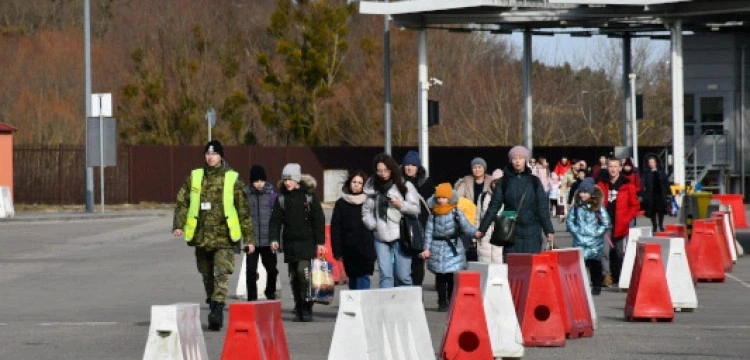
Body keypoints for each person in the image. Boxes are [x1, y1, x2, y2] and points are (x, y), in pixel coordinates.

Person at [172, 140, 253, 331]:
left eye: (214, 154)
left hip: (225, 237)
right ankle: (212, 302)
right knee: (206, 275)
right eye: (208, 154)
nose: (210, 157)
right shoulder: (195, 176)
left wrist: (249, 238)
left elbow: (244, 210)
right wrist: (178, 225)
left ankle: (217, 309)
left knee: (221, 274)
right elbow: (182, 201)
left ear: (221, 156)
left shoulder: (232, 178)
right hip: (201, 236)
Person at [269, 163, 326, 322]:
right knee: (294, 277)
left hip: (307, 244)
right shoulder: (281, 198)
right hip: (289, 245)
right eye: (285, 179)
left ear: (297, 179)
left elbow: (319, 220)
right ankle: (298, 306)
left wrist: (320, 242)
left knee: (304, 274)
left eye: (290, 179)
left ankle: (307, 307)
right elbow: (275, 221)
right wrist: (274, 239)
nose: (287, 182)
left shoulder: (309, 196)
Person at [476, 146, 555, 256]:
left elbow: (542, 207)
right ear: (510, 160)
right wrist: (482, 229)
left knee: (531, 267)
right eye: (514, 158)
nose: (518, 161)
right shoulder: (504, 182)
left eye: (521, 158)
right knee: (513, 267)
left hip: (532, 229)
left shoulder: (534, 181)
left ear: (525, 160)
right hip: (510, 229)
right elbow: (494, 206)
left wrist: (548, 229)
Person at [363, 153, 421, 288]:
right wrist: (374, 225)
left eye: (386, 170)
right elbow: (366, 212)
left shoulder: (404, 185)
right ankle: (386, 307)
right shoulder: (373, 188)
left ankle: (408, 305)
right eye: (379, 170)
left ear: (392, 169)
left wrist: (401, 205)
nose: (383, 173)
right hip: (380, 235)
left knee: (403, 275)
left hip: (401, 235)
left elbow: (416, 209)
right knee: (385, 275)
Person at [421, 183, 477, 311]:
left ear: (450, 198)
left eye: (444, 197)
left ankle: (452, 301)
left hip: (453, 248)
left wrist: (476, 233)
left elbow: (466, 226)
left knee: (452, 277)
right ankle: (442, 302)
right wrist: (427, 248)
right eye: (439, 197)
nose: (441, 200)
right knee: (440, 277)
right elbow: (429, 232)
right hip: (437, 248)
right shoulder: (433, 215)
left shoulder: (456, 212)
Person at [597, 158, 641, 286]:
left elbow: (635, 205)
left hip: (621, 224)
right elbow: (595, 201)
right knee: (604, 251)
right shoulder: (601, 184)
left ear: (620, 168)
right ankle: (606, 276)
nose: (613, 169)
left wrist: (627, 218)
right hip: (605, 224)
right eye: (610, 166)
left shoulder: (628, 185)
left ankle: (621, 275)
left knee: (620, 252)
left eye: (615, 166)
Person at [331, 171, 376, 290]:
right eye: (354, 182)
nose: (356, 185)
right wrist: (337, 251)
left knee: (363, 277)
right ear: (349, 183)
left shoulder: (370, 201)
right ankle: (354, 306)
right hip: (348, 248)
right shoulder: (341, 203)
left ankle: (363, 306)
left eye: (360, 183)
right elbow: (336, 228)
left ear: (364, 185)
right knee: (353, 278)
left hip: (366, 248)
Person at [566, 178, 611, 295]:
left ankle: (596, 285)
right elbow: (570, 221)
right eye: (581, 192)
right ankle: (581, 286)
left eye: (586, 192)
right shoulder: (576, 207)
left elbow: (606, 222)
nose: (583, 195)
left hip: (594, 242)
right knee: (580, 265)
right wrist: (575, 231)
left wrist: (597, 232)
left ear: (591, 193)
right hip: (580, 240)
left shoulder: (597, 207)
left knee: (595, 265)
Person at [244, 165, 278, 301]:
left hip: (267, 240)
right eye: (256, 181)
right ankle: (252, 298)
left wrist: (275, 239)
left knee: (272, 269)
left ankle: (270, 292)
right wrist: (246, 239)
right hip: (251, 240)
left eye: (261, 180)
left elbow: (276, 219)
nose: (259, 184)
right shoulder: (245, 195)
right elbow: (243, 218)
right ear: (252, 181)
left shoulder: (271, 195)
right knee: (251, 271)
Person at [401, 150, 435, 286]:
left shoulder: (427, 184)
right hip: (402, 228)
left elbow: (431, 207)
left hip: (420, 227)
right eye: (407, 164)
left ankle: (417, 291)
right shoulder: (398, 182)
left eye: (413, 165)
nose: (409, 168)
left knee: (417, 262)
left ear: (418, 167)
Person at [476, 169, 505, 263]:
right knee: (484, 264)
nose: (497, 185)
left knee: (499, 264)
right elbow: (478, 217)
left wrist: (498, 218)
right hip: (484, 235)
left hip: (500, 234)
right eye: (495, 182)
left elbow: (511, 215)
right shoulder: (483, 196)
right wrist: (475, 236)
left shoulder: (508, 197)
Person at [641, 155, 670, 233]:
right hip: (651, 195)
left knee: (661, 211)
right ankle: (654, 226)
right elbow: (643, 184)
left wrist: (668, 193)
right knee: (652, 211)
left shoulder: (661, 172)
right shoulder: (646, 174)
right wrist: (644, 194)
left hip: (660, 194)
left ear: (656, 163)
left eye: (652, 162)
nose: (651, 163)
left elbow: (666, 183)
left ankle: (661, 225)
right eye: (649, 162)